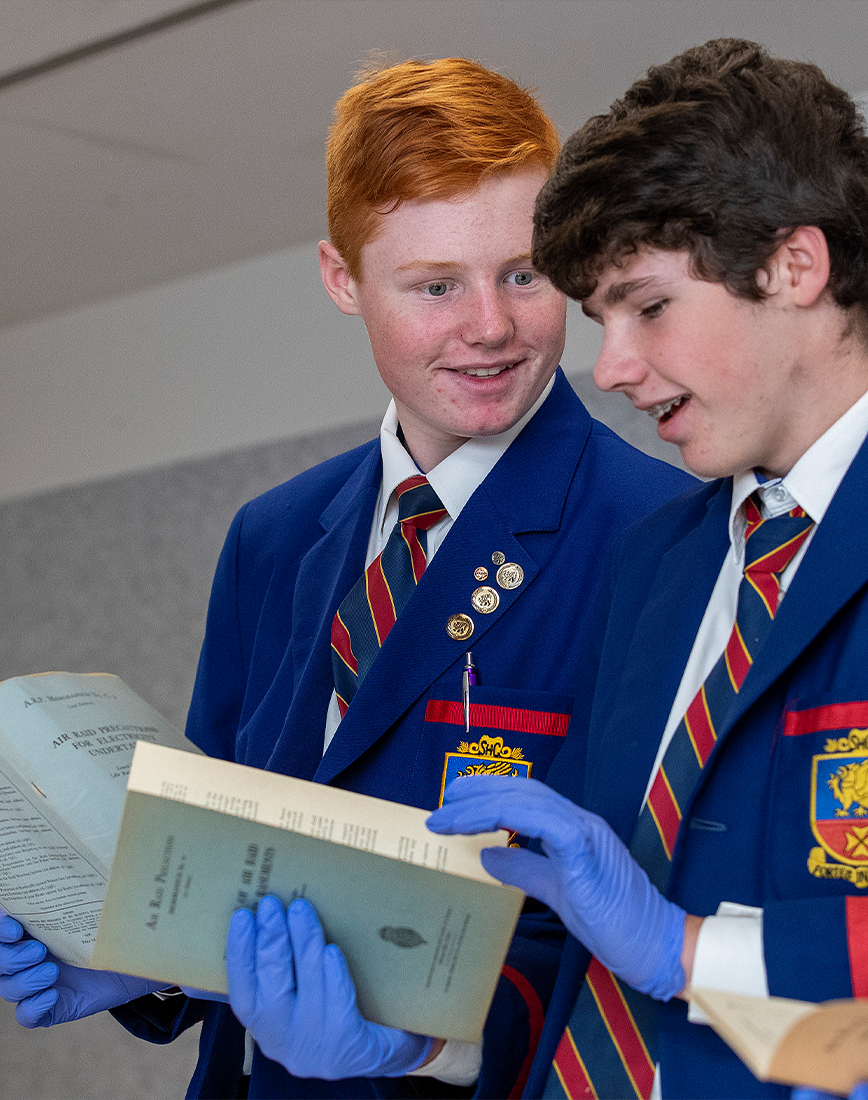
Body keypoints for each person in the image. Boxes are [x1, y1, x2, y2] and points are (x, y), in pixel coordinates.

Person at [0, 57, 692, 1100]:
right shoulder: (274, 538)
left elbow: (653, 947)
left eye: (522, 272)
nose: (491, 324)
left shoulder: (662, 534)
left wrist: (416, 1041)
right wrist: (129, 955)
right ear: (340, 279)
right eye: (434, 286)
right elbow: (225, 846)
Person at [428, 37, 868, 1100]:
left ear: (794, 265)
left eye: (648, 305)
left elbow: (657, 947)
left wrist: (685, 953)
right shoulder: (657, 565)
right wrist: (414, 1039)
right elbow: (571, 945)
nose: (611, 368)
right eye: (599, 323)